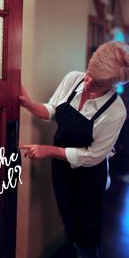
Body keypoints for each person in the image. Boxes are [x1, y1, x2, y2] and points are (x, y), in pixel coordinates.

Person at [19, 41, 129, 258]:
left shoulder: (116, 112)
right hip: (62, 170)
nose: (87, 83)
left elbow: (93, 156)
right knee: (68, 222)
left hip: (88, 177)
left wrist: (49, 150)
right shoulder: (73, 79)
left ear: (112, 85)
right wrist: (29, 104)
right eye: (88, 73)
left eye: (96, 84)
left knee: (86, 236)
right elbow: (53, 110)